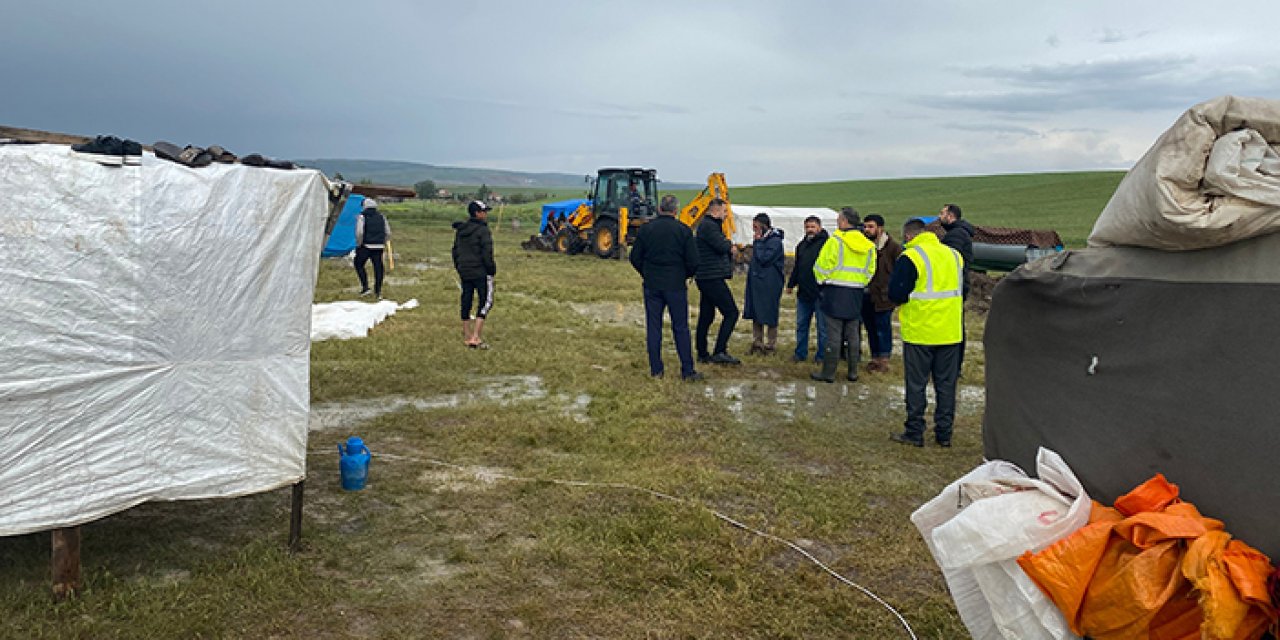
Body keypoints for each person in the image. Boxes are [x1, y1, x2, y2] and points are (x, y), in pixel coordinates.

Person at [888, 218, 965, 448]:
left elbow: (897, 293)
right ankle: (944, 434)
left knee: (916, 385)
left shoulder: (911, 257)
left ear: (909, 236)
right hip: (950, 331)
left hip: (920, 331)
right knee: (946, 385)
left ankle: (914, 432)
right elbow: (965, 288)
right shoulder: (954, 256)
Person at [629, 195, 702, 381]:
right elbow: (694, 262)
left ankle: (656, 370)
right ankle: (687, 370)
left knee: (654, 328)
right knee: (681, 328)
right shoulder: (683, 231)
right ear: (676, 211)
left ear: (660, 209)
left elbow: (634, 257)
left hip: (652, 285)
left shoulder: (646, 230)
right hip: (676, 286)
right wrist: (682, 275)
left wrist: (646, 273)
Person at [810, 207, 876, 383]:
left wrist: (821, 282)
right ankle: (853, 372)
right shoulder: (868, 245)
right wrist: (860, 283)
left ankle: (828, 373)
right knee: (853, 334)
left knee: (833, 334)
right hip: (856, 292)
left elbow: (821, 266)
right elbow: (871, 270)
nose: (838, 222)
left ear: (845, 222)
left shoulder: (835, 242)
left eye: (839, 219)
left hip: (834, 291)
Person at [694, 198, 741, 365]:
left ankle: (702, 352)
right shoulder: (709, 226)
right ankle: (720, 351)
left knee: (707, 315)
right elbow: (722, 246)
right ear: (715, 211)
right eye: (724, 211)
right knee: (731, 312)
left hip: (706, 276)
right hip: (711, 277)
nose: (726, 214)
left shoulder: (708, 225)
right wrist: (730, 246)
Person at [860, 214, 903, 373]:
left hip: (884, 296)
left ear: (880, 228)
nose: (867, 230)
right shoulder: (863, 245)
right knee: (870, 327)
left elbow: (900, 270)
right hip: (865, 295)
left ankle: (884, 360)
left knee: (882, 327)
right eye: (865, 226)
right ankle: (874, 358)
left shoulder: (893, 247)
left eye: (870, 226)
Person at [452, 200, 497, 348]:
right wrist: (491, 270)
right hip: (480, 271)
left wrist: (459, 267)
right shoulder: (483, 231)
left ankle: (467, 334)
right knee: (485, 301)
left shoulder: (461, 230)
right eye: (484, 212)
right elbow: (487, 253)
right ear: (477, 213)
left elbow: (455, 251)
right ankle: (475, 337)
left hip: (464, 270)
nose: (486, 214)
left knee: (466, 299)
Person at [939, 202, 975, 373]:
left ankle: (953, 366)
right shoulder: (958, 233)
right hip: (958, 286)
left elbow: (949, 263)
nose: (939, 217)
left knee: (953, 328)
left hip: (954, 287)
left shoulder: (956, 236)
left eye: (942, 213)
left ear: (951, 216)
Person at [743, 213, 786, 355]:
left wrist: (758, 242)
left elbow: (764, 259)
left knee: (769, 312)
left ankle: (770, 345)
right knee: (756, 312)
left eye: (756, 227)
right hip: (757, 281)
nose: (753, 230)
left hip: (770, 283)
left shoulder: (774, 241)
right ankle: (757, 342)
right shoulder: (763, 240)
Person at [787, 216, 828, 363]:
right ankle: (800, 353)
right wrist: (791, 284)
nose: (810, 230)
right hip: (804, 293)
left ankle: (822, 356)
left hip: (821, 293)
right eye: (807, 227)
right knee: (801, 325)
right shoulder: (801, 245)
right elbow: (798, 267)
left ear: (819, 227)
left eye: (813, 227)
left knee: (822, 328)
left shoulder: (827, 245)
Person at [354, 198, 390, 299]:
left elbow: (360, 232)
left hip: (366, 245)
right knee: (378, 268)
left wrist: (359, 244)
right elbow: (387, 232)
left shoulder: (362, 217)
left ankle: (365, 287)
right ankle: (378, 291)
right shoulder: (382, 217)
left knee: (358, 264)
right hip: (379, 246)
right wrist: (382, 242)